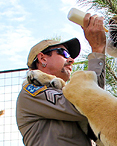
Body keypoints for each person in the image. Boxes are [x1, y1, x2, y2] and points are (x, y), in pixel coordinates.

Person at [16, 13, 106, 146]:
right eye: (64, 53)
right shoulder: (32, 93)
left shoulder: (66, 93)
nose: (71, 60)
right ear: (43, 58)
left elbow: (96, 104)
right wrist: (97, 50)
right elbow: (86, 104)